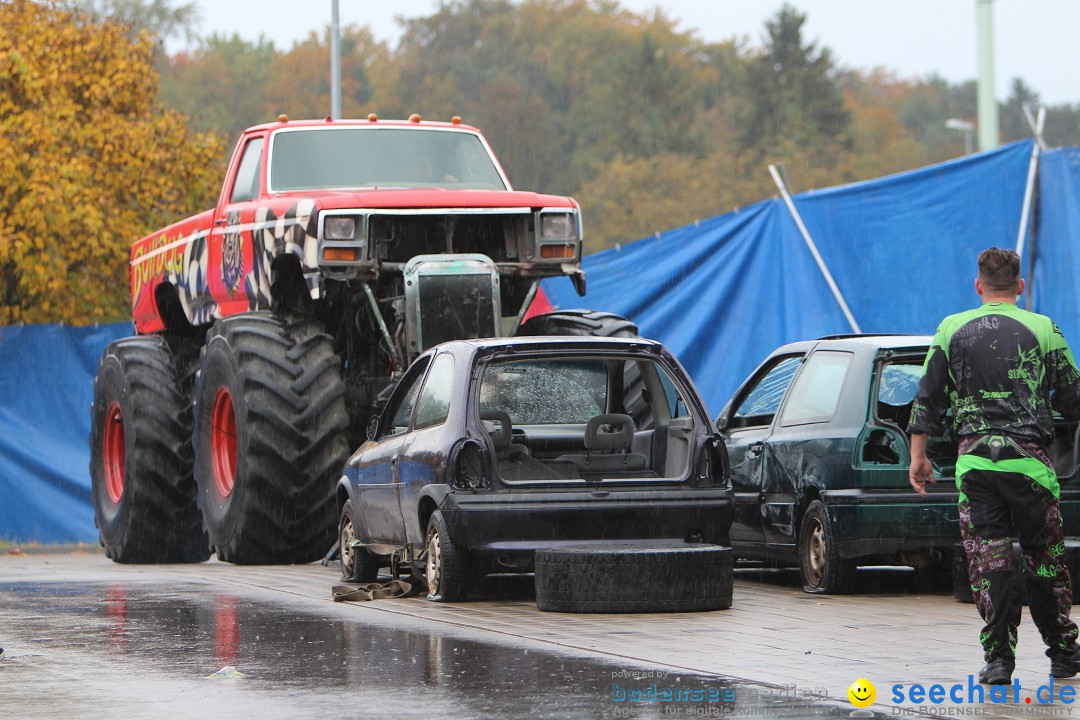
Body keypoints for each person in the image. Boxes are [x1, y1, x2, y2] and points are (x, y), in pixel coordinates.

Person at [909, 247, 1080, 685]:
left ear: (978, 286)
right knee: (1045, 560)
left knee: (990, 561)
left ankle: (999, 660)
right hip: (1031, 468)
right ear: (1020, 287)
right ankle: (1063, 655)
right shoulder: (1043, 329)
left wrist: (918, 457)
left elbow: (927, 398)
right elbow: (1073, 400)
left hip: (976, 466)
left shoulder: (951, 329)